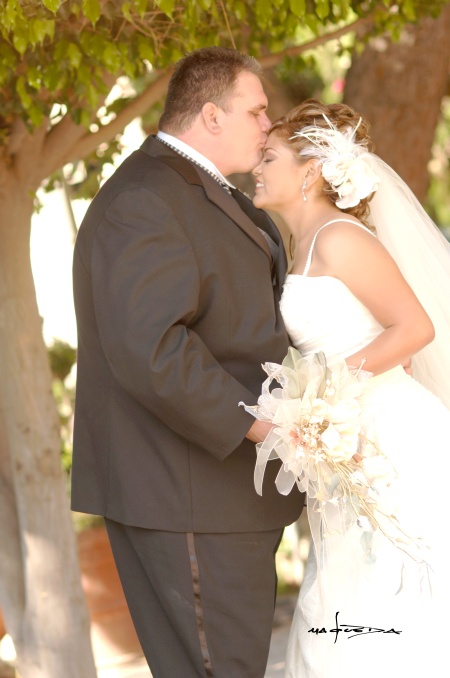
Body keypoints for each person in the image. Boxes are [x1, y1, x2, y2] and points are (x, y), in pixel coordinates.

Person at [71, 46, 304, 678]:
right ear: (209, 116)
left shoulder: (201, 192)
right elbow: (152, 350)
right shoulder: (147, 198)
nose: (267, 125)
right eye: (256, 111)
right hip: (189, 496)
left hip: (218, 496)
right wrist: (260, 425)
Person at [251, 99, 450, 678]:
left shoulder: (340, 238)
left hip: (394, 440)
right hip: (347, 443)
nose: (256, 168)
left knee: (403, 592)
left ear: (310, 170)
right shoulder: (301, 244)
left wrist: (324, 397)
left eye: (269, 157)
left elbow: (415, 328)